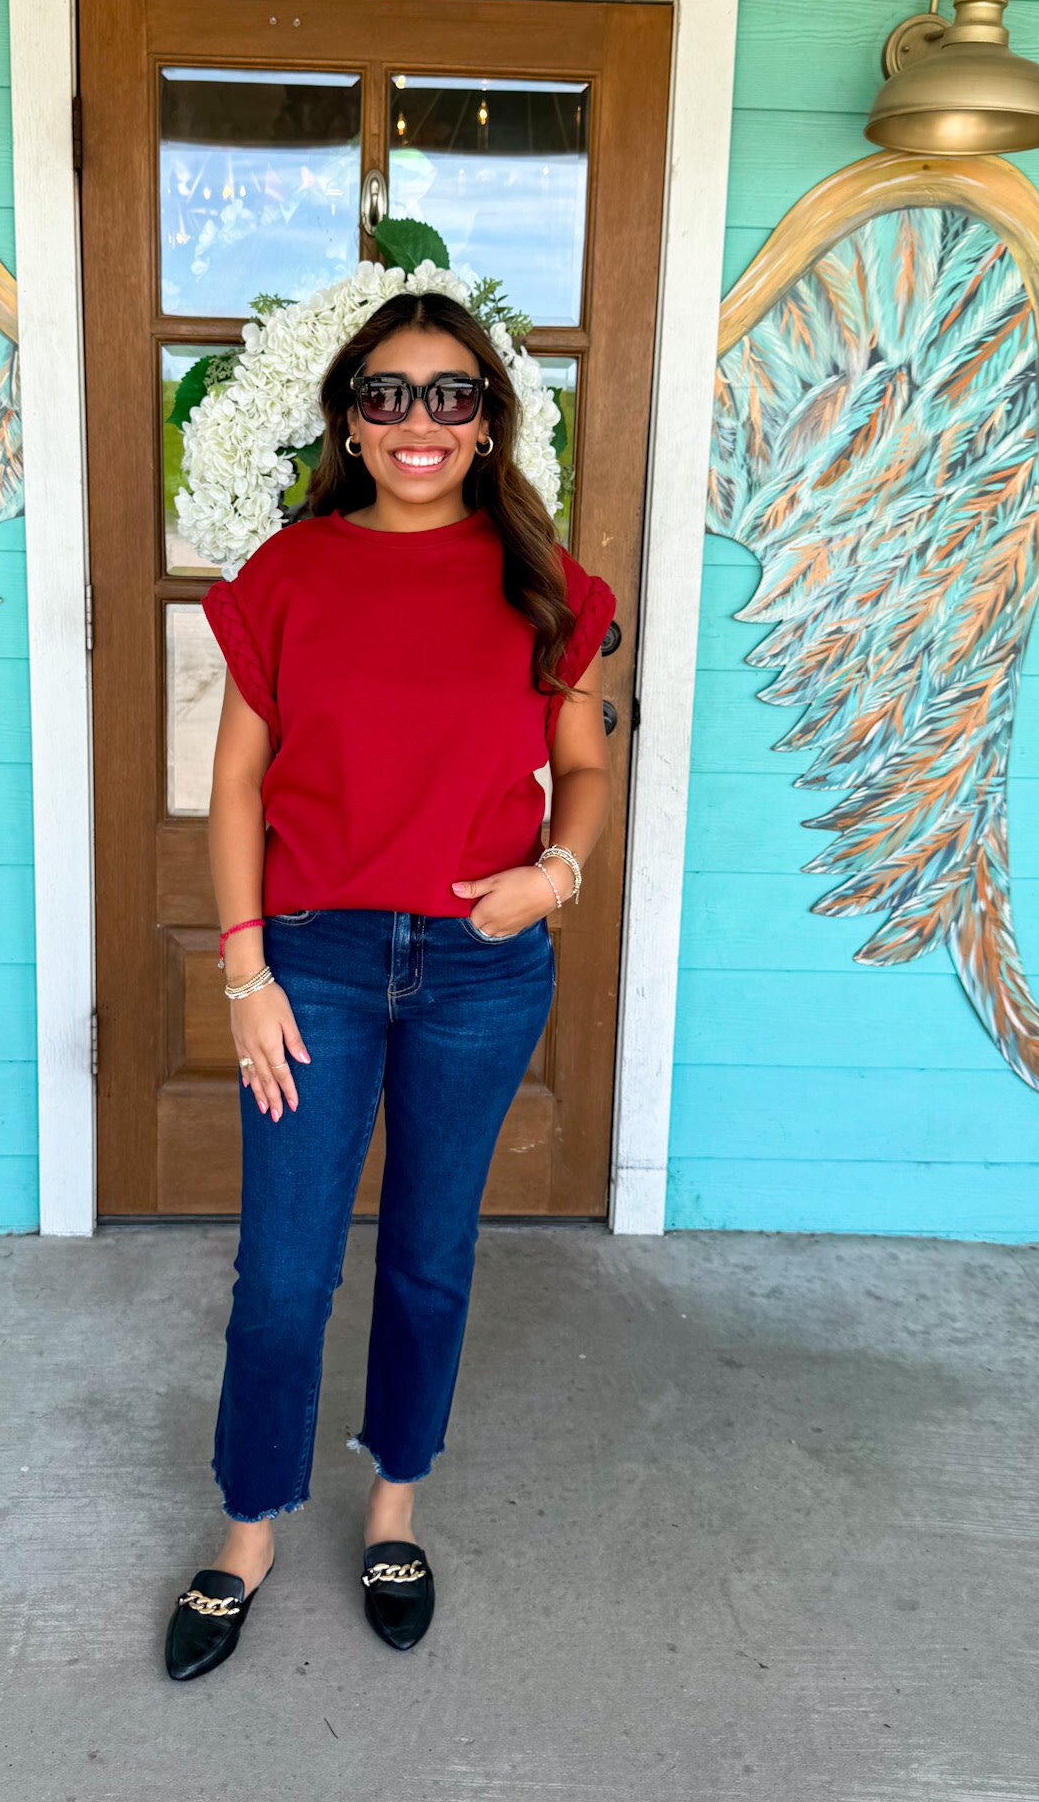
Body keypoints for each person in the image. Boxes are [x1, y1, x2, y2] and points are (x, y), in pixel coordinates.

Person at [164, 290, 616, 1680]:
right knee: (286, 1270)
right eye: (387, 394)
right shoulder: (291, 571)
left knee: (430, 1251)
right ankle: (248, 1529)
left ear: (490, 421)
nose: (418, 421)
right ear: (347, 421)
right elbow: (234, 782)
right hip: (316, 961)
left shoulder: (543, 581)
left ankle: (395, 1505)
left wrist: (558, 874)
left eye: (451, 393)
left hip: (482, 967)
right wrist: (245, 969)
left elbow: (588, 766)